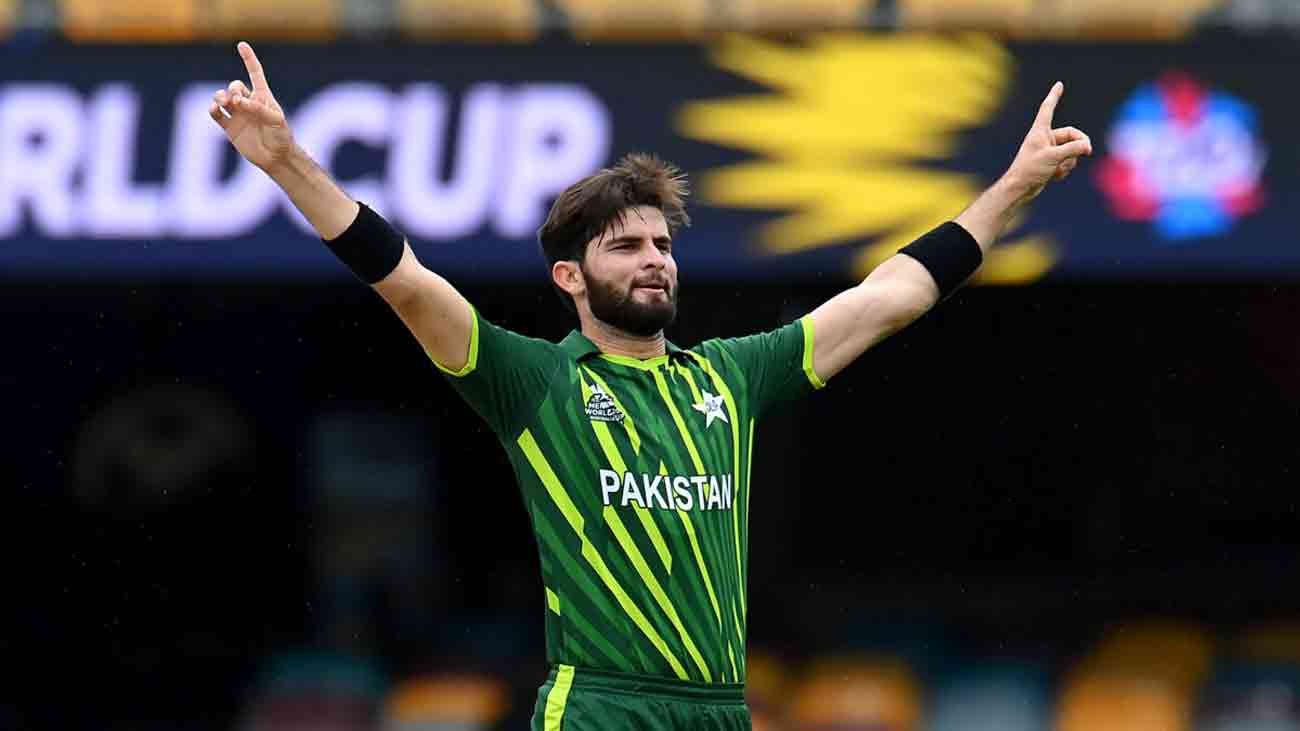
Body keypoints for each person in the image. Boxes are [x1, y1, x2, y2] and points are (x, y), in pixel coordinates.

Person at [210, 41, 1092, 731]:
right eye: (626, 246)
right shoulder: (535, 380)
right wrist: (288, 165)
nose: (654, 261)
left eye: (663, 245)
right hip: (600, 704)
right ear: (568, 276)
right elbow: (406, 282)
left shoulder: (729, 376)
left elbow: (889, 297)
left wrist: (1011, 189)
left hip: (719, 708)